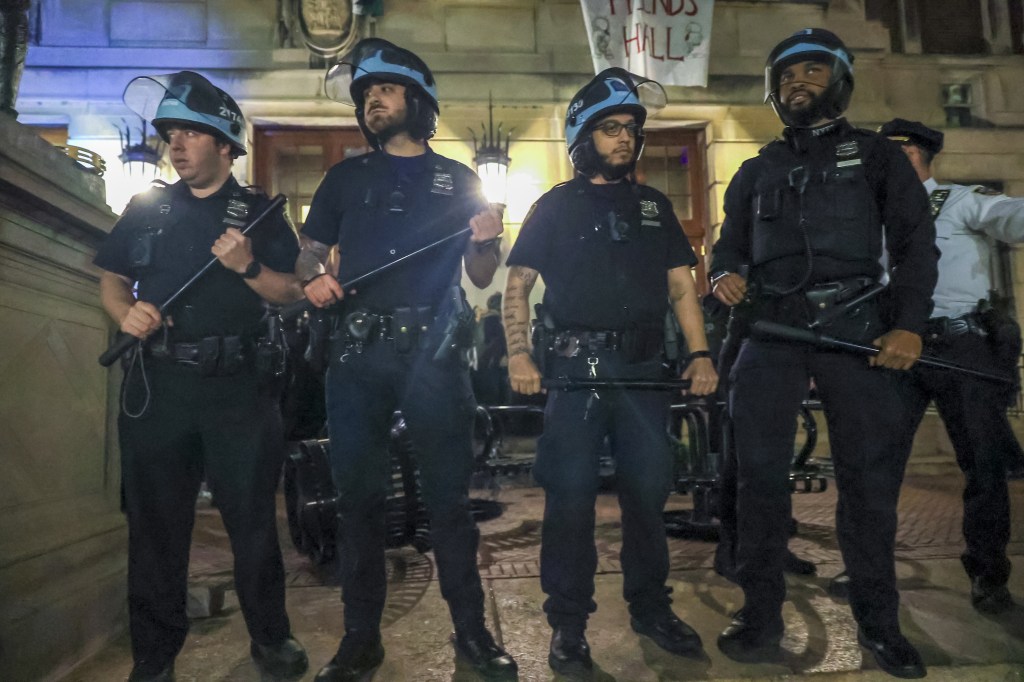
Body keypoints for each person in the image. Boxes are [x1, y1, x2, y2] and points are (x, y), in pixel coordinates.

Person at [709, 30, 938, 679]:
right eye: (785, 77)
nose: (796, 85)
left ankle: (879, 621)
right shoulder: (755, 170)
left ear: (837, 81)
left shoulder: (876, 157)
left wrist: (909, 326)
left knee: (867, 483)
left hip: (853, 328)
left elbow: (917, 244)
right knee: (756, 478)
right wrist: (723, 273)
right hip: (770, 333)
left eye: (810, 72)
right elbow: (730, 249)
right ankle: (759, 610)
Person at [296, 39, 517, 681]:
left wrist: (487, 238)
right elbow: (309, 252)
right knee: (358, 501)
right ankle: (361, 639)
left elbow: (480, 273)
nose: (372, 101)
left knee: (449, 500)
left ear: (417, 101)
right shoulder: (345, 176)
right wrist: (312, 276)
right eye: (366, 94)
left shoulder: (459, 179)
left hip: (435, 355)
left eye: (385, 90)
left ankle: (472, 633)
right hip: (357, 356)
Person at [503, 67, 719, 678]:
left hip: (645, 370)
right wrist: (519, 354)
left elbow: (682, 286)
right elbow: (515, 288)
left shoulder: (655, 206)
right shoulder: (554, 206)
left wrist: (701, 355)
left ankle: (651, 608)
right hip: (574, 371)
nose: (624, 138)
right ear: (582, 138)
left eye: (630, 129)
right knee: (568, 501)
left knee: (649, 496)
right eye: (609, 129)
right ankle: (568, 627)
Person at [94, 71, 308, 682]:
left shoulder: (260, 212)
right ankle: (155, 657)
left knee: (252, 526)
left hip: (239, 387)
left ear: (226, 146)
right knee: (156, 531)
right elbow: (110, 278)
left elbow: (292, 291)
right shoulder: (147, 208)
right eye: (172, 135)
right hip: (159, 387)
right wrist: (124, 312)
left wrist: (246, 267)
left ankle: (271, 639)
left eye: (192, 133)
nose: (177, 145)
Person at [875, 118, 1024, 613]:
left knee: (983, 465)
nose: (895, 163)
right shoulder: (871, 215)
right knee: (872, 464)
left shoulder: (959, 201)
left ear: (924, 157)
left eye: (905, 154)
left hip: (960, 346)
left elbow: (1011, 217)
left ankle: (988, 574)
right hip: (896, 348)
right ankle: (869, 569)